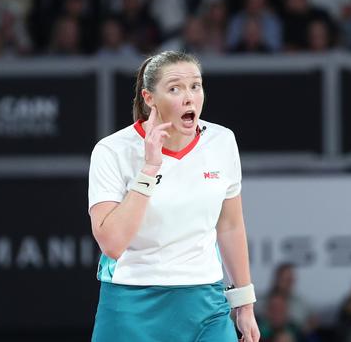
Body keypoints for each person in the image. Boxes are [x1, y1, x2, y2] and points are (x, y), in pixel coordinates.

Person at [88, 50, 260, 342]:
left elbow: (230, 226)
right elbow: (112, 244)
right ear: (149, 98)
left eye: (195, 85)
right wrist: (150, 167)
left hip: (205, 300)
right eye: (175, 88)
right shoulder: (112, 150)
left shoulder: (222, 141)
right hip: (132, 303)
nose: (189, 97)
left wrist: (244, 304)